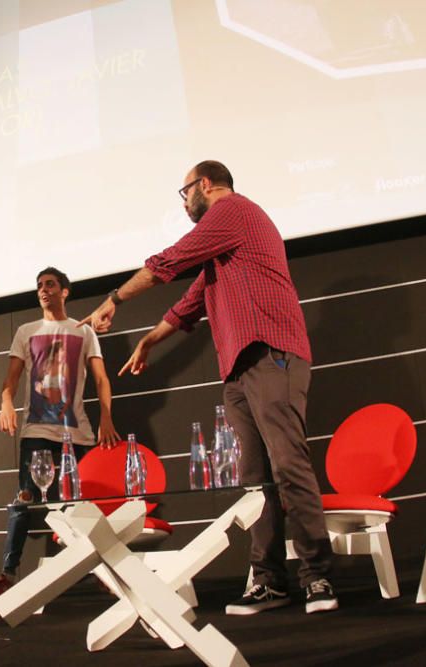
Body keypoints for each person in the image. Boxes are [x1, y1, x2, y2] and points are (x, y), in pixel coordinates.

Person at [82, 160, 338, 615]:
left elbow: (170, 261)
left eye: (184, 194)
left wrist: (113, 301)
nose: (184, 204)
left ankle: (317, 576)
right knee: (256, 483)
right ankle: (269, 581)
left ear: (203, 185)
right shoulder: (225, 247)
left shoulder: (232, 210)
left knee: (288, 466)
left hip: (269, 351)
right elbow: (191, 301)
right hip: (240, 367)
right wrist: (149, 340)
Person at [0, 267, 121, 598]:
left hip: (78, 434)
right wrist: (5, 402)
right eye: (39, 286)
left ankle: (99, 568)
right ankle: (8, 572)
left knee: (82, 506)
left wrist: (106, 417)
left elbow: (102, 379)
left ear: (65, 291)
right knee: (25, 501)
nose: (43, 290)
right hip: (37, 431)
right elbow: (11, 381)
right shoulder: (27, 331)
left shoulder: (84, 331)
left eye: (50, 285)